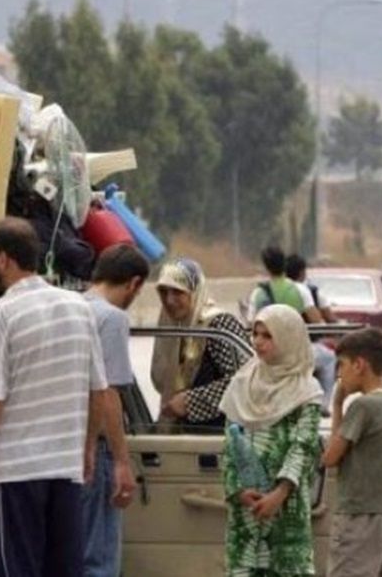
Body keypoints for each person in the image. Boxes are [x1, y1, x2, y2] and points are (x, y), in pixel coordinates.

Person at [0, 218, 113, 577]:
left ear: (3, 259)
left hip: (14, 472)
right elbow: (98, 390)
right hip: (65, 469)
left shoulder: (0, 313)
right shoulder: (79, 308)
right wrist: (88, 447)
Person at [220, 305, 324, 577]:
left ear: (289, 338)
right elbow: (230, 444)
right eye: (255, 334)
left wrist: (279, 494)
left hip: (286, 508)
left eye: (268, 336)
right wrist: (238, 490)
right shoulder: (242, 382)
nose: (258, 342)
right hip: (247, 510)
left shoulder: (306, 391)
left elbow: (304, 447)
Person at [81, 244, 149, 577]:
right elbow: (108, 393)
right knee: (99, 561)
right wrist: (122, 461)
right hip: (96, 449)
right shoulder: (112, 318)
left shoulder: (72, 308)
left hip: (63, 448)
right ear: (134, 283)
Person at [321, 328, 382, 577]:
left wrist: (337, 405)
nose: (338, 374)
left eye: (342, 365)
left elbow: (330, 457)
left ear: (359, 365)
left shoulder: (363, 406)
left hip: (356, 516)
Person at [151, 258, 249, 428]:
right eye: (164, 292)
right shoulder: (177, 327)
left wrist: (190, 402)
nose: (169, 300)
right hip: (187, 433)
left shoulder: (218, 324)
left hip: (222, 434)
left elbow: (246, 382)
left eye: (177, 292)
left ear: (195, 291)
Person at [287, 252, 338, 412]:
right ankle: (324, 404)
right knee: (330, 358)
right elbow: (321, 321)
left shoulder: (264, 291)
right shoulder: (306, 291)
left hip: (274, 350)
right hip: (302, 349)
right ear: (302, 272)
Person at [248, 246, 324, 323]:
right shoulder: (300, 290)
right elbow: (316, 321)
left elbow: (251, 323)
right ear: (284, 264)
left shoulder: (258, 294)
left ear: (266, 268)